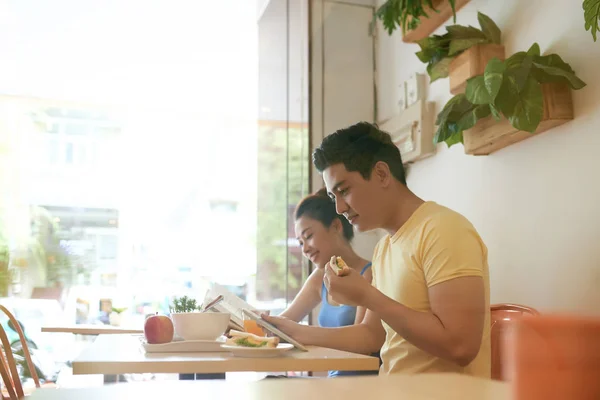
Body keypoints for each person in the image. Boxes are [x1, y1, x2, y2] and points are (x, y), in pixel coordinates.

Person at [263, 121, 491, 377]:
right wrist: (293, 331)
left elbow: (460, 346)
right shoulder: (384, 248)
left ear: (382, 174)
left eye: (344, 190)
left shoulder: (444, 229)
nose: (339, 208)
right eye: (333, 197)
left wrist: (367, 296)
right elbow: (371, 336)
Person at [275, 188, 378, 377]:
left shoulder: (370, 274)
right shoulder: (319, 278)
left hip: (363, 390)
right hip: (333, 386)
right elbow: (283, 323)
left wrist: (302, 333)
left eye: (308, 236)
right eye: (300, 242)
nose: (305, 248)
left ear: (336, 227)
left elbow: (363, 345)